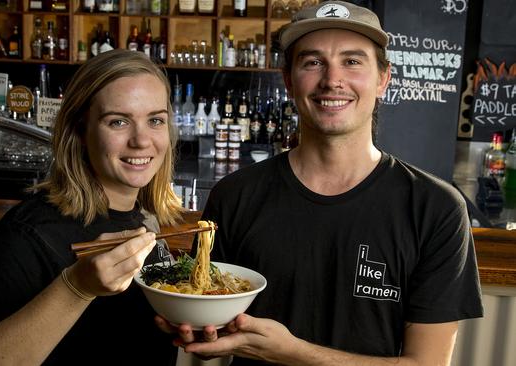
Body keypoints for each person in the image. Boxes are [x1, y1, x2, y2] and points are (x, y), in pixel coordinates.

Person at [158, 1, 484, 365]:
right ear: (288, 80)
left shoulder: (435, 208)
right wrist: (194, 326)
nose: (332, 80)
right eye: (313, 62)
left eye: (352, 61)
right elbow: (208, 308)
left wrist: (295, 354)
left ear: (383, 79)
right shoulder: (234, 196)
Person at [0, 49, 184, 365]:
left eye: (155, 120)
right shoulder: (29, 230)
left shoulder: (147, 218)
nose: (141, 140)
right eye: (118, 122)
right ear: (80, 130)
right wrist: (77, 287)